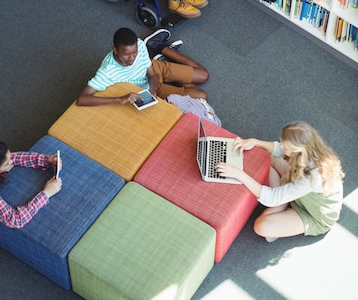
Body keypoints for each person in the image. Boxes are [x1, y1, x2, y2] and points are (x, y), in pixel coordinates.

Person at [215, 121, 344, 243]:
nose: (281, 145)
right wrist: (255, 142)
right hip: (299, 187)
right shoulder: (310, 150)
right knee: (267, 157)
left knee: (260, 226)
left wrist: (238, 174)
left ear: (297, 150)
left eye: (285, 145)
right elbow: (278, 149)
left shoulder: (313, 177)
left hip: (313, 214)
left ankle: (284, 202)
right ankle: (285, 200)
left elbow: (271, 197)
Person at [76, 27, 209, 106]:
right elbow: (82, 99)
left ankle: (158, 45)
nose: (132, 58)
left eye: (135, 52)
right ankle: (181, 80)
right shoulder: (107, 71)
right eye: (127, 54)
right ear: (115, 50)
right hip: (146, 90)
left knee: (204, 75)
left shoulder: (139, 44)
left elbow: (152, 74)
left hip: (154, 72)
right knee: (201, 96)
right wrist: (119, 99)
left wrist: (153, 88)